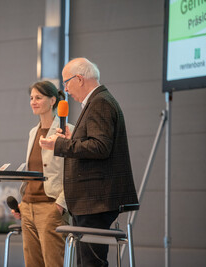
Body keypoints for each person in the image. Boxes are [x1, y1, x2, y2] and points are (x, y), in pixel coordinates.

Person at [39, 58, 139, 267]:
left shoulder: (100, 102)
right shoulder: (99, 101)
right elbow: (96, 144)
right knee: (86, 261)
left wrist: (59, 145)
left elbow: (100, 147)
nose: (65, 90)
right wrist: (72, 139)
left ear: (80, 79)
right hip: (91, 199)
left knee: (91, 263)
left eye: (66, 82)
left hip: (95, 199)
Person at [11, 81, 74, 267]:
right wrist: (23, 201)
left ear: (53, 100)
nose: (33, 101)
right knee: (32, 263)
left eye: (38, 97)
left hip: (50, 207)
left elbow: (72, 171)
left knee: (54, 263)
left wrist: (60, 204)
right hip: (28, 208)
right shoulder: (33, 132)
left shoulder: (66, 130)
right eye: (31, 98)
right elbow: (34, 169)